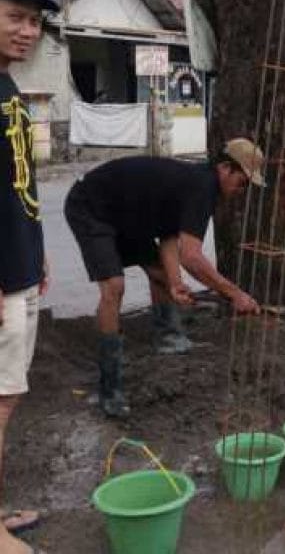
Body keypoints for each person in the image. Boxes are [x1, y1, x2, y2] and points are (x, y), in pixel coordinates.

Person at [64, 139, 264, 417]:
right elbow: (192, 257)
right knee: (114, 287)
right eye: (242, 183)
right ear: (224, 168)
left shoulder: (199, 185)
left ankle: (169, 337)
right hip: (91, 207)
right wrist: (235, 294)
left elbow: (169, 234)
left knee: (159, 273)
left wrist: (174, 280)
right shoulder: (203, 187)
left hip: (126, 215)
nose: (242, 191)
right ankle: (110, 388)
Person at [0, 0, 59, 553]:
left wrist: (36, 254)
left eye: (34, 22)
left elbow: (20, 184)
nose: (27, 30)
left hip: (20, 267)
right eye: (14, 16)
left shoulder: (9, 89)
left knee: (8, 395)